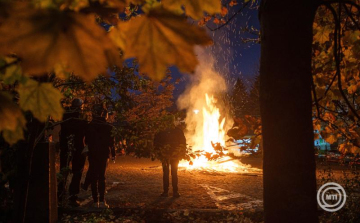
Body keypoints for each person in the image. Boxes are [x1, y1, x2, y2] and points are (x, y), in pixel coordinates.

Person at [85, 105, 115, 208]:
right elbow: (111, 142)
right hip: (103, 153)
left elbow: (87, 140)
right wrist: (113, 154)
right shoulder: (108, 127)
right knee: (102, 176)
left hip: (93, 153)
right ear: (105, 115)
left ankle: (95, 200)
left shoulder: (90, 126)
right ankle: (102, 200)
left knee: (94, 176)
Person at [58, 98, 86, 207]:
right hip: (78, 147)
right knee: (77, 171)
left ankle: (60, 193)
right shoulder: (81, 116)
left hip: (65, 146)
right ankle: (73, 195)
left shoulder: (65, 114)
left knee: (63, 169)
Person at [153, 117, 186, 198]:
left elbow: (156, 142)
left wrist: (159, 153)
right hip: (174, 155)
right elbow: (183, 142)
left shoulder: (161, 131)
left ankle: (166, 192)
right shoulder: (178, 131)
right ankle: (175, 192)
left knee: (166, 173)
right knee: (174, 173)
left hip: (165, 155)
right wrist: (181, 152)